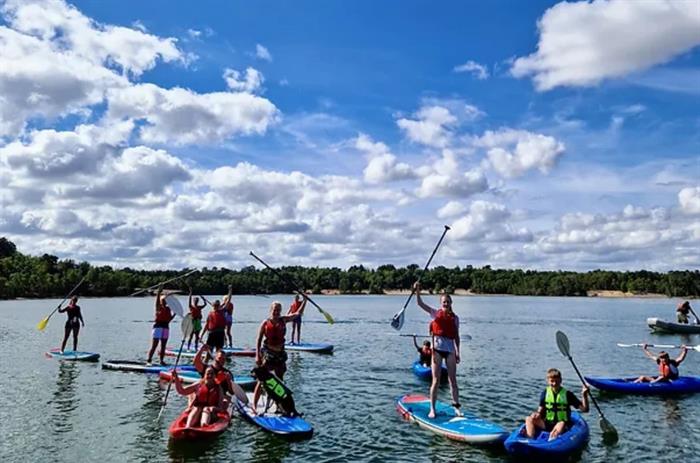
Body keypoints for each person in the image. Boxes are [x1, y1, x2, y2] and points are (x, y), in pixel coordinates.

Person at [414, 282, 461, 418]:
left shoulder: (455, 318)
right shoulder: (435, 313)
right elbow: (420, 304)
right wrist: (417, 290)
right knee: (436, 380)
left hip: (450, 351)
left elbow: (457, 337)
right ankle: (432, 409)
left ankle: (456, 407)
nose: (445, 304)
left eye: (447, 302)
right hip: (437, 351)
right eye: (443, 302)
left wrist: (458, 352)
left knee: (453, 380)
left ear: (451, 303)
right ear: (441, 303)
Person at [251, 300, 305, 413]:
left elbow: (298, 314)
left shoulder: (283, 320)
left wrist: (305, 301)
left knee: (279, 382)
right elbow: (258, 340)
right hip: (268, 354)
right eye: (275, 310)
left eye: (278, 310)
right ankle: (254, 406)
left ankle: (279, 407)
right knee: (261, 381)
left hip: (280, 355)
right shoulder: (265, 323)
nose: (276, 312)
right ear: (271, 310)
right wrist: (257, 355)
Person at [524, 368, 590, 441]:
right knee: (529, 419)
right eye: (552, 381)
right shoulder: (545, 393)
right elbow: (540, 410)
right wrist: (536, 414)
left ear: (561, 380)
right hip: (547, 423)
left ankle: (551, 440)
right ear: (548, 381)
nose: (554, 384)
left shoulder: (568, 394)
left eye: (557, 381)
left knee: (561, 423)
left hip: (563, 425)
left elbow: (585, 409)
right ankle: (529, 440)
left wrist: (584, 395)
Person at [146, 286, 176, 366]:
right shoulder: (158, 307)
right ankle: (149, 360)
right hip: (158, 327)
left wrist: (174, 314)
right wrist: (159, 292)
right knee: (154, 345)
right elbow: (157, 300)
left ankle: (161, 361)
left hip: (166, 327)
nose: (164, 301)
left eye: (165, 300)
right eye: (163, 300)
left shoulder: (168, 309)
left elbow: (169, 319)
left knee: (163, 346)